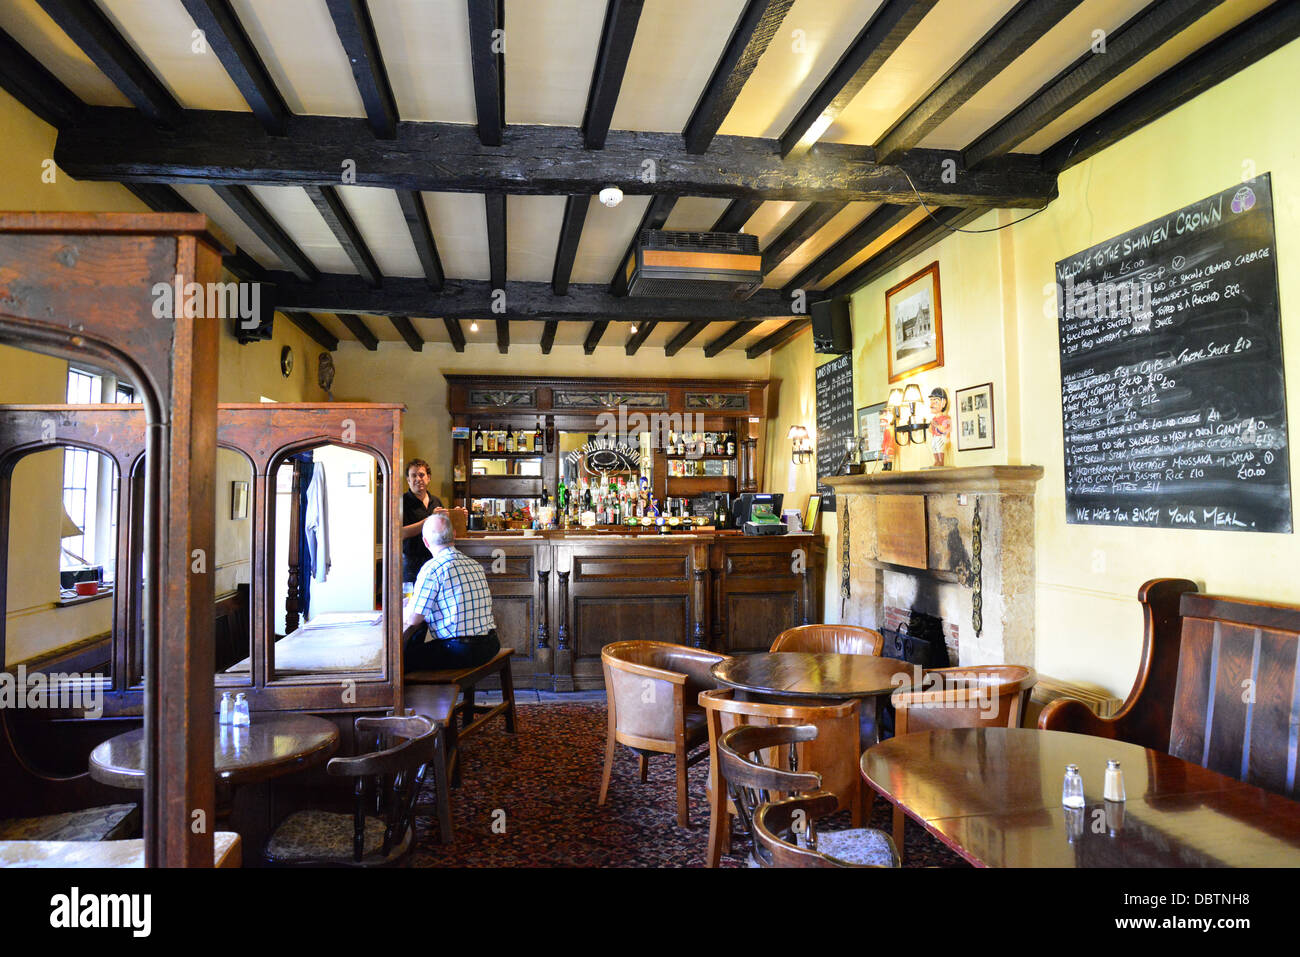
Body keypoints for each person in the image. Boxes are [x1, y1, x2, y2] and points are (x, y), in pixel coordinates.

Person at [402, 513, 499, 671]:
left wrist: (405, 609)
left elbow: (414, 619)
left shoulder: (432, 569)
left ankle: (431, 696)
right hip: (490, 645)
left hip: (461, 650)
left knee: (400, 662)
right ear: (453, 535)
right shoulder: (474, 564)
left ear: (425, 542)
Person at [401, 458, 443, 589]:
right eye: (413, 475)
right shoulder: (401, 502)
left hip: (435, 560)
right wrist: (429, 520)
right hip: (411, 563)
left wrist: (458, 517)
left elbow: (444, 529)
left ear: (428, 478)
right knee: (412, 603)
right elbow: (400, 533)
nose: (418, 479)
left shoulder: (436, 501)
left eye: (421, 475)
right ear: (408, 479)